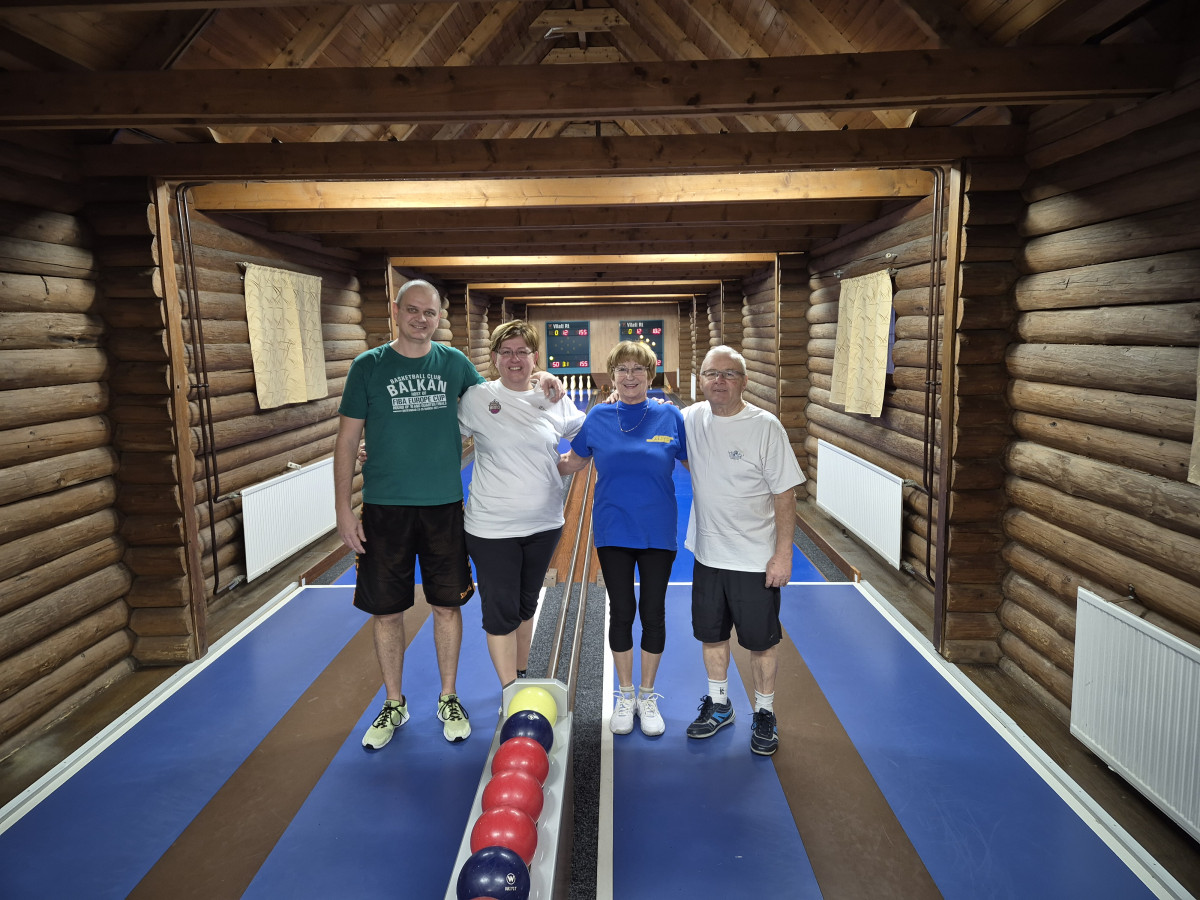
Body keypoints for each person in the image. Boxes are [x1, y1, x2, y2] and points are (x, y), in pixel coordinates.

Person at [334, 280, 561, 751]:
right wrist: (342, 509)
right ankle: (394, 701)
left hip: (443, 507)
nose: (421, 319)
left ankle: (448, 696)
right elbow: (347, 439)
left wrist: (541, 376)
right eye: (412, 310)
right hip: (384, 507)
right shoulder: (367, 366)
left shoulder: (454, 363)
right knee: (387, 611)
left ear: (439, 317)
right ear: (396, 310)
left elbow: (502, 394)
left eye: (430, 312)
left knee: (446, 605)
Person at [558, 341, 687, 737]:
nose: (630, 376)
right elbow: (572, 461)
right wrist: (523, 460)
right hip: (613, 529)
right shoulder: (598, 416)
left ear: (650, 375)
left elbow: (699, 464)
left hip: (658, 530)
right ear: (612, 376)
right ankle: (625, 694)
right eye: (622, 369)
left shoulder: (670, 416)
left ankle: (647, 695)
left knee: (653, 611)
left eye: (638, 369)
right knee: (622, 610)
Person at [682, 345, 805, 756]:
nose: (719, 381)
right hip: (707, 554)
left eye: (729, 374)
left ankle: (765, 711)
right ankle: (720, 705)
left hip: (754, 558)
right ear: (701, 379)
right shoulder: (690, 418)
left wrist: (783, 555)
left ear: (744, 382)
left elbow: (785, 494)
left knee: (761, 643)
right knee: (712, 636)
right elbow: (645, 413)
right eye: (711, 373)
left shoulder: (765, 426)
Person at [458, 320, 585, 687]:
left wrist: (568, 464)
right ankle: (509, 690)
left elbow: (590, 435)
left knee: (526, 604)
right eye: (506, 352)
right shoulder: (476, 399)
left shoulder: (554, 397)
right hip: (491, 527)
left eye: (522, 352)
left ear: (535, 357)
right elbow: (435, 437)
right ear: (495, 357)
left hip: (544, 525)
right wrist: (382, 450)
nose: (514, 359)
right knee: (501, 611)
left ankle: (522, 674)